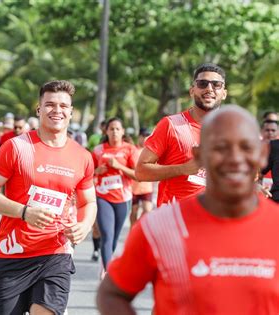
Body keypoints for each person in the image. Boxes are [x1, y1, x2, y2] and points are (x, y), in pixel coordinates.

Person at [97, 105, 279, 314]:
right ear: (199, 155)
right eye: (220, 147)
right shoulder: (160, 226)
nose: (234, 158)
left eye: (246, 147)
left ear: (263, 153)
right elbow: (112, 293)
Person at [0, 80, 97, 315]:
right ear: (39, 110)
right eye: (50, 104)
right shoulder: (17, 148)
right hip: (13, 254)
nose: (57, 111)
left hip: (55, 253)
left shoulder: (82, 156)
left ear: (71, 112)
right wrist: (23, 212)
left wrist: (85, 224)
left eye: (63, 106)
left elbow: (88, 201)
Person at [135, 63, 228, 206]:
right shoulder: (171, 125)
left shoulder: (232, 131)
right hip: (175, 219)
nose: (209, 89)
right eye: (202, 83)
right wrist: (182, 169)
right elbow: (141, 172)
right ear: (192, 91)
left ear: (224, 93)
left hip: (214, 220)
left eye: (216, 84)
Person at [92, 117, 136, 271]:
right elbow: (87, 174)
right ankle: (108, 272)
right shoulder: (98, 150)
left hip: (123, 198)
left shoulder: (130, 149)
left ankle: (107, 263)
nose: (115, 132)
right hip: (103, 197)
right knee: (107, 235)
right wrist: (97, 171)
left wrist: (119, 167)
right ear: (106, 131)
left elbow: (138, 175)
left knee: (114, 238)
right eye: (111, 129)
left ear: (123, 131)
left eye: (118, 129)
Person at [129, 128, 154, 227]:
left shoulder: (151, 151)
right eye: (143, 136)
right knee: (134, 211)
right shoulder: (133, 150)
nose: (145, 139)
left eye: (147, 137)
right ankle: (133, 230)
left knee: (147, 211)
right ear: (139, 137)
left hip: (147, 187)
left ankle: (138, 228)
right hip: (133, 187)